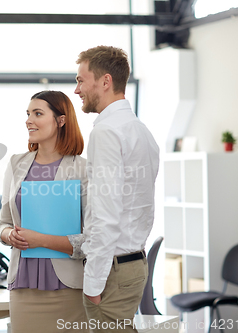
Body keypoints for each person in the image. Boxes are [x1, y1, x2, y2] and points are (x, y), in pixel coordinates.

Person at [74, 46, 160, 332]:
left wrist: (94, 281)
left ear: (106, 81)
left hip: (112, 268)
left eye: (81, 80)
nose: (77, 90)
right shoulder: (141, 131)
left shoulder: (107, 131)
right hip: (134, 263)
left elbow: (106, 213)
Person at [0, 90, 89, 332]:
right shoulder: (16, 164)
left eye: (38, 113)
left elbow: (92, 239)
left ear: (61, 120)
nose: (29, 120)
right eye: (28, 114)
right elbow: (3, 223)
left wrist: (41, 240)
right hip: (23, 287)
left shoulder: (83, 169)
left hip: (68, 288)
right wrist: (10, 236)